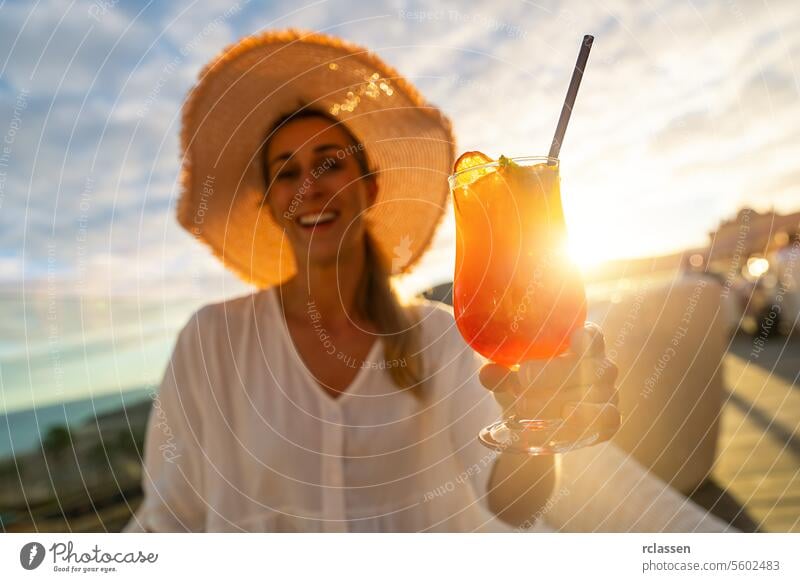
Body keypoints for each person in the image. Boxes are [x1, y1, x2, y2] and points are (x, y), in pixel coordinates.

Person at [123, 30, 732, 533]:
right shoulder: (210, 345)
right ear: (269, 204)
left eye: (330, 163)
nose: (309, 185)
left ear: (370, 187)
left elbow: (512, 503)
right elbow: (168, 522)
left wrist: (537, 427)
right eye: (286, 173)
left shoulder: (441, 337)